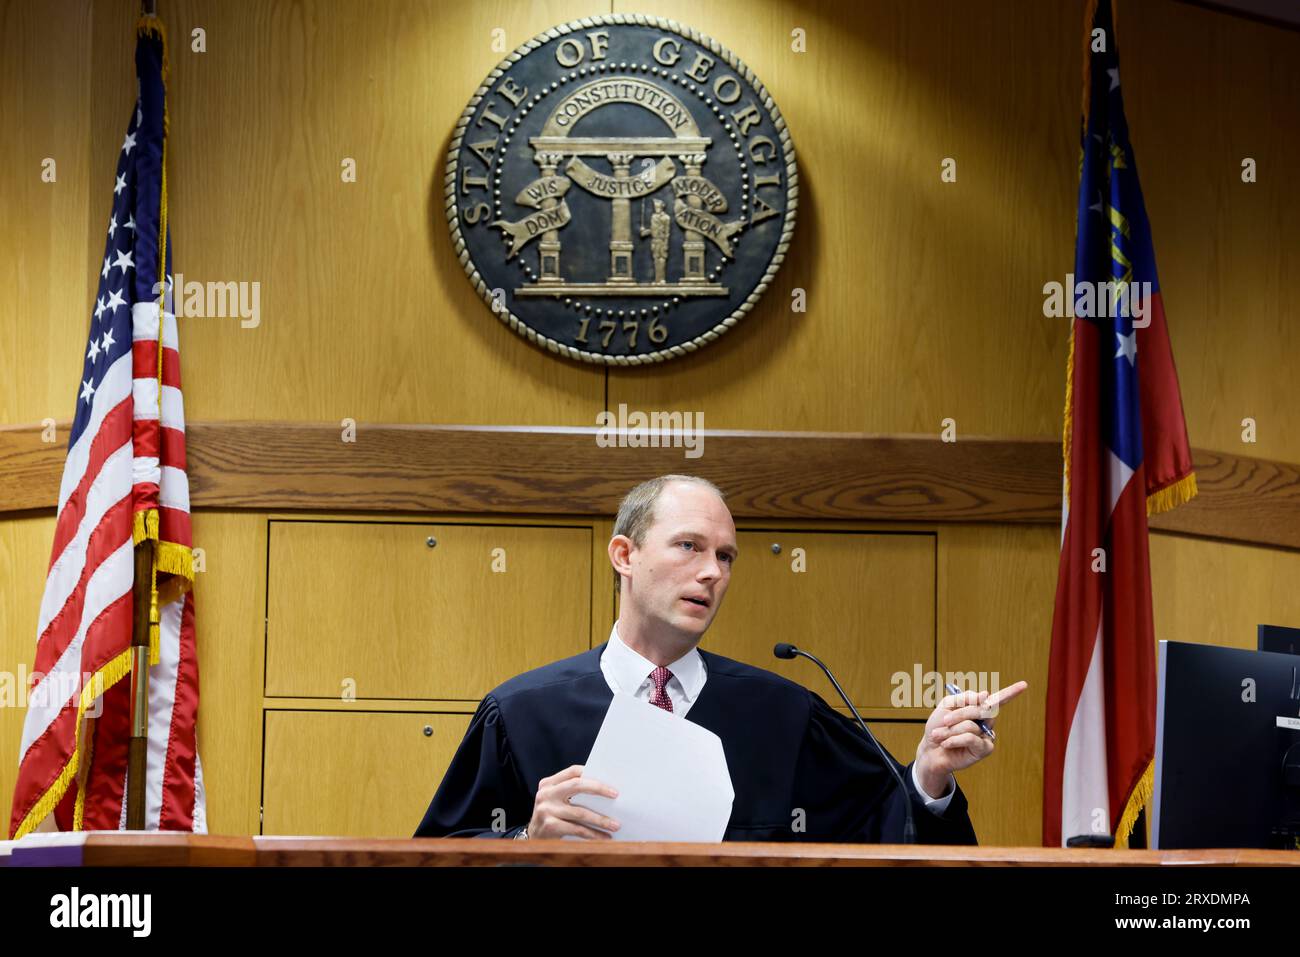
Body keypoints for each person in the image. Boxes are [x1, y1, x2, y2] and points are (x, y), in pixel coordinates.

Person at [414, 474, 1026, 842]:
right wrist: (525, 840)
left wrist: (930, 773)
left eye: (726, 556)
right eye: (689, 546)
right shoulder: (521, 713)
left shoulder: (784, 713)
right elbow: (436, 856)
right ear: (625, 555)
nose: (712, 572)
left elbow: (880, 827)